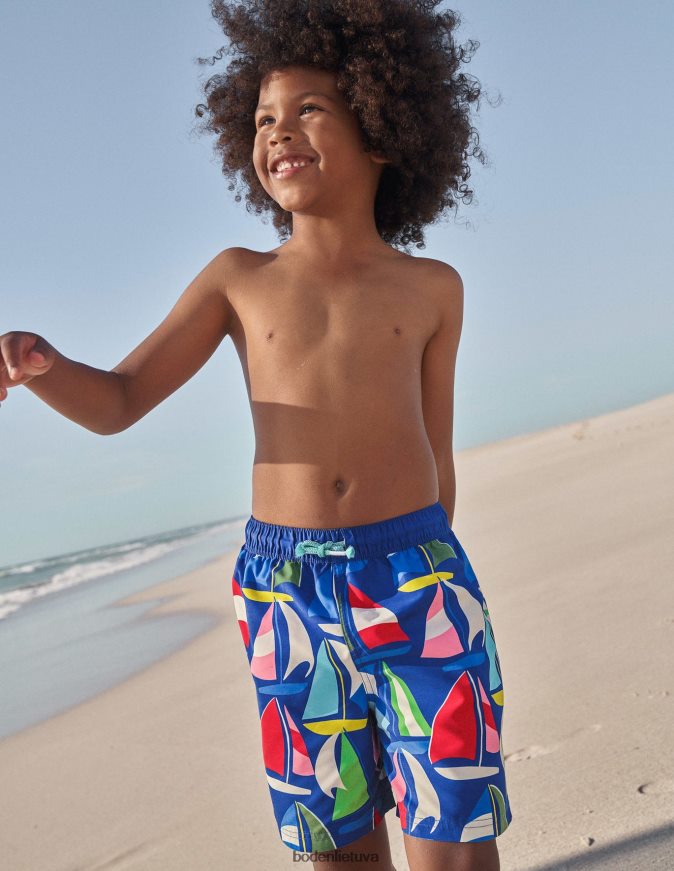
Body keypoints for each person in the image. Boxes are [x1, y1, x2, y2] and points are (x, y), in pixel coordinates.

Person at [0, 1, 512, 868]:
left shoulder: (433, 288)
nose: (278, 131)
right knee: (339, 845)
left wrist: (432, 583)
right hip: (286, 588)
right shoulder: (238, 279)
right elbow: (120, 400)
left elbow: (438, 455)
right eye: (263, 118)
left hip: (417, 575)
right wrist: (41, 364)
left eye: (308, 108)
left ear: (381, 126)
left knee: (453, 839)